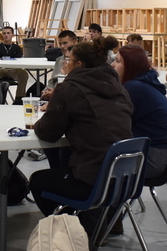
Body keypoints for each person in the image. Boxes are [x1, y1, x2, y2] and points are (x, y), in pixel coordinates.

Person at [29, 42, 133, 233]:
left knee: (38, 180)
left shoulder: (70, 88)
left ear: (79, 65)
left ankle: (76, 231)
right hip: (126, 177)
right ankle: (107, 221)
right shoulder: (117, 87)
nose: (65, 63)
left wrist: (38, 121)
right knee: (65, 156)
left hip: (94, 178)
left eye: (68, 59)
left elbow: (48, 133)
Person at [114, 45, 167, 178]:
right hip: (165, 153)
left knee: (93, 164)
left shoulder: (134, 87)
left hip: (154, 158)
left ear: (130, 66)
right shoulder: (144, 82)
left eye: (118, 61)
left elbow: (114, 120)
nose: (112, 65)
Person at [0, 25, 29, 102]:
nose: (6, 35)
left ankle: (19, 98)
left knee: (24, 74)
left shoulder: (17, 48)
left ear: (12, 35)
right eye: (4, 33)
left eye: (8, 33)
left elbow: (19, 61)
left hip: (13, 70)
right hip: (0, 69)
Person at [40, 30, 78, 102]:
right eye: (60, 44)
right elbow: (52, 81)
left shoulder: (78, 61)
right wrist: (46, 91)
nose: (62, 46)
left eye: (65, 43)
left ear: (74, 42)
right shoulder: (58, 60)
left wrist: (56, 93)